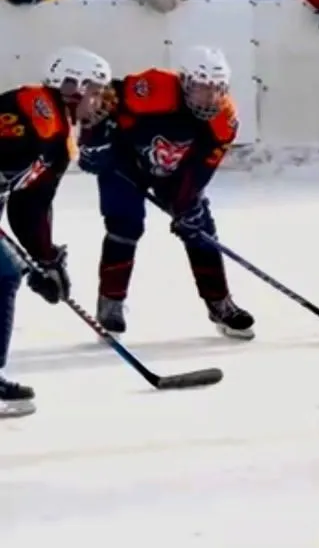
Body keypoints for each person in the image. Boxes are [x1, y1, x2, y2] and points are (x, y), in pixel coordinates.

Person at [77, 46, 255, 340]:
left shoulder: (224, 117)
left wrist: (187, 204)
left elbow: (202, 167)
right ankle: (110, 305)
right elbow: (102, 99)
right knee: (125, 226)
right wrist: (93, 142)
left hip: (176, 170)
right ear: (184, 82)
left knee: (199, 228)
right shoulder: (154, 87)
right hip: (125, 163)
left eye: (217, 89)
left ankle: (220, 304)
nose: (210, 97)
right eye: (201, 88)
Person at [0, 46, 104, 416]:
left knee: (6, 272)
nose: (98, 101)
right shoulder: (26, 109)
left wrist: (46, 259)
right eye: (93, 90)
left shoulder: (59, 142)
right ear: (70, 85)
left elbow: (30, 205)